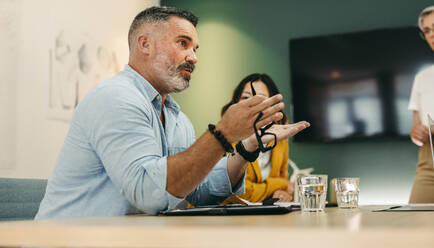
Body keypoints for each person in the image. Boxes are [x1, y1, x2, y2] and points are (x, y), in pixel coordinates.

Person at [35, 6, 310, 219]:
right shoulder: (116, 98)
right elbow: (149, 195)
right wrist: (224, 133)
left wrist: (247, 147)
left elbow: (199, 191)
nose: (194, 57)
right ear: (144, 44)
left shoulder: (178, 119)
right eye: (183, 43)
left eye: (195, 48)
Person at [221, 74, 293, 203]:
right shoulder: (225, 136)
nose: (252, 103)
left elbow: (284, 186)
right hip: (217, 219)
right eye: (246, 97)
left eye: (261, 98)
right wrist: (279, 184)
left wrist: (283, 193)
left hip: (263, 217)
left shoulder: (280, 140)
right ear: (235, 102)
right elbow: (239, 194)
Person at [408, 5, 434, 203]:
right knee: (415, 220)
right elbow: (416, 128)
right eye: (427, 31)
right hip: (428, 158)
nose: (432, 34)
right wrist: (416, 134)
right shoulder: (422, 78)